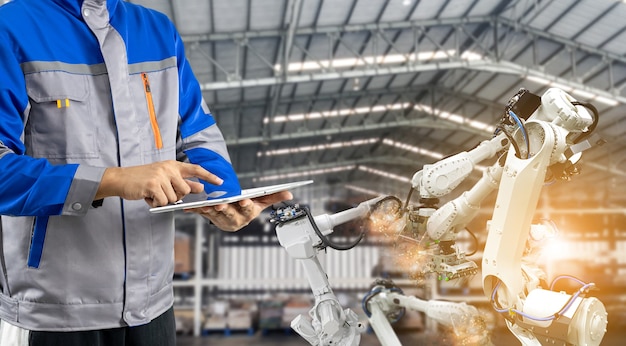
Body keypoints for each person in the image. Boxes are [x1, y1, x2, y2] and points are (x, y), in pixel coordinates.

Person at [0, 0, 291, 345]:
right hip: (54, 312)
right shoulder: (12, 27)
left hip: (153, 308)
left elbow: (197, 134)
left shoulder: (158, 31)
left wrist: (221, 199)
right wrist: (113, 180)